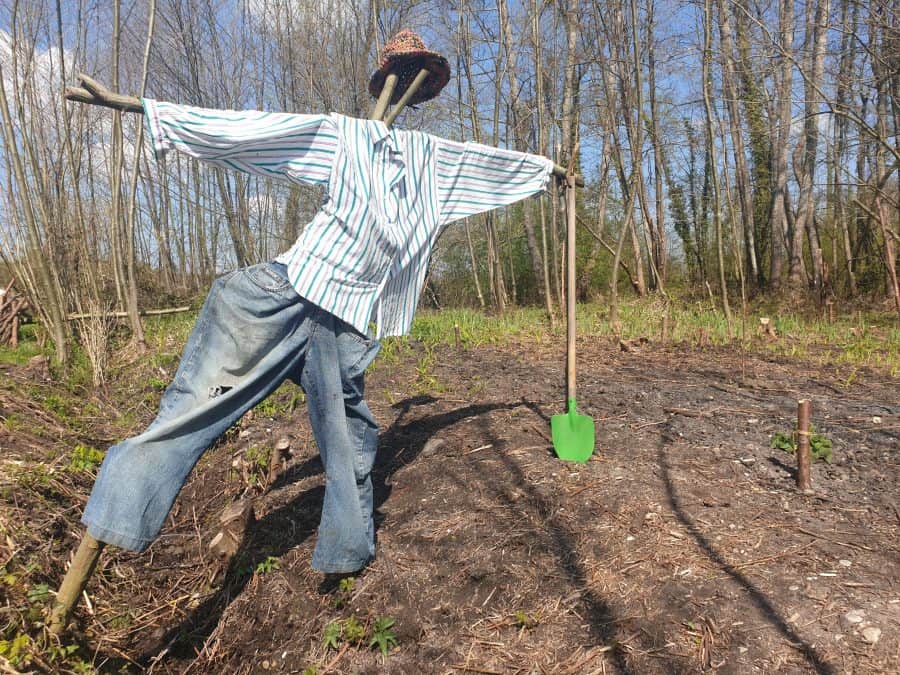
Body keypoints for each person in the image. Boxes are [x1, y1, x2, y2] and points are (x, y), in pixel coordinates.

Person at [52, 31, 558, 632]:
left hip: (341, 320)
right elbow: (253, 131)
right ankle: (93, 558)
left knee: (350, 441)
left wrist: (551, 172)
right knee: (188, 417)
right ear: (389, 81)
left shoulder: (434, 163)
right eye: (403, 74)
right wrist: (141, 108)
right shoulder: (344, 137)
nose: (408, 87)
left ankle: (346, 557)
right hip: (278, 299)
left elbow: (494, 165)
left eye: (418, 75)